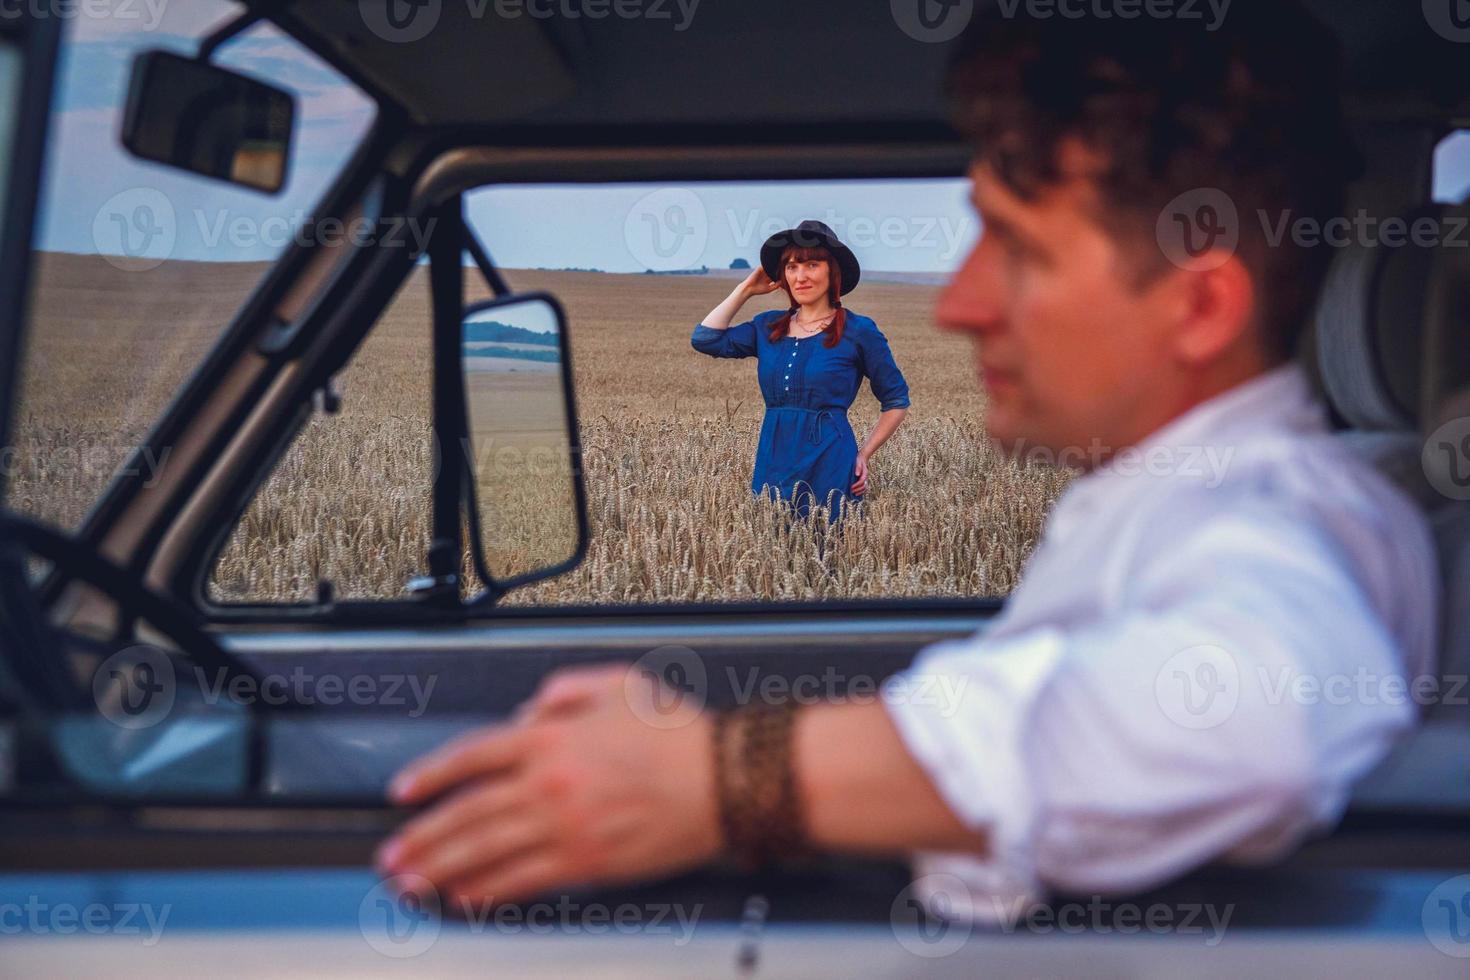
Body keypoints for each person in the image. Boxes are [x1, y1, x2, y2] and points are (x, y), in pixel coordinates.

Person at [373, 2, 1439, 921]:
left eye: (1015, 247)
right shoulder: (1182, 498)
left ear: (1199, 303)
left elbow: (1258, 711)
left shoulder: (1276, 512)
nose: (957, 302)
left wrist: (719, 778)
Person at [690, 220, 911, 524]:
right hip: (772, 461)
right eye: (792, 267)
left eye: (812, 264)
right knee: (774, 558)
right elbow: (704, 339)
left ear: (833, 271)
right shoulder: (768, 327)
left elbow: (896, 400)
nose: (800, 276)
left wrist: (864, 454)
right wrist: (745, 290)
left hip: (831, 465)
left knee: (830, 557)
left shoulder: (860, 331)